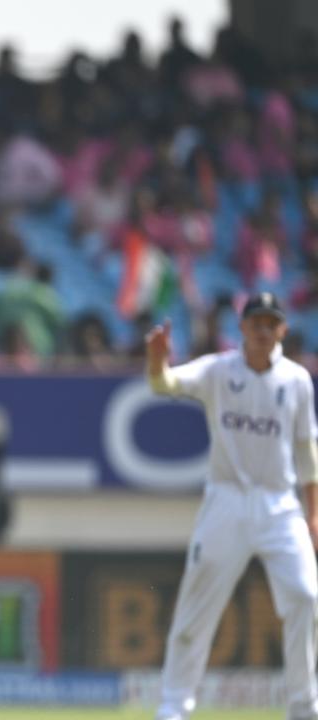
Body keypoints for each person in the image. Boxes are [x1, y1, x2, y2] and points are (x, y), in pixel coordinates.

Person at [146, 292, 318, 720]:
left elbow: (307, 452)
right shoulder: (219, 370)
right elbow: (164, 384)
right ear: (241, 327)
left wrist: (313, 513)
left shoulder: (296, 380)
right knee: (198, 604)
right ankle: (173, 706)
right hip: (227, 499)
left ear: (282, 330)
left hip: (280, 503)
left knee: (306, 596)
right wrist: (156, 361)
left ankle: (303, 707)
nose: (262, 331)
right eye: (255, 322)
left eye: (270, 324)